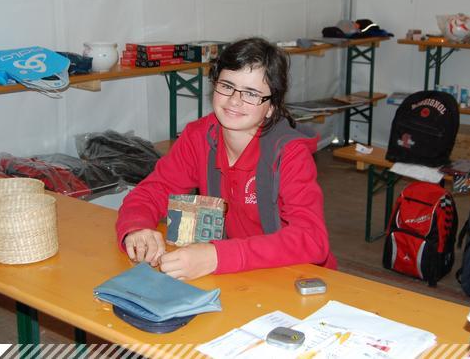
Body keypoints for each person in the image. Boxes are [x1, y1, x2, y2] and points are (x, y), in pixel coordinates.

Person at [116, 37, 337, 280]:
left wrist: (216, 257)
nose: (234, 100)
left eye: (251, 93)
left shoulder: (290, 154)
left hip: (297, 277)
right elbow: (153, 191)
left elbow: (312, 239)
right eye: (227, 86)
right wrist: (137, 228)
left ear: (272, 106)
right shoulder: (198, 137)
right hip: (238, 274)